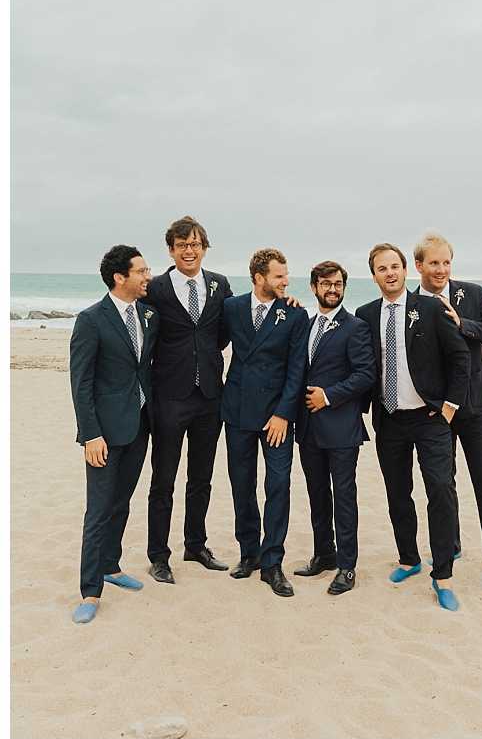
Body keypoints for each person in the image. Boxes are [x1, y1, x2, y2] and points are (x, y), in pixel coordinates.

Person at [356, 243, 470, 611]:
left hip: (430, 418)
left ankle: (443, 574)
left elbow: (460, 358)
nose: (389, 273)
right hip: (389, 419)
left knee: (440, 489)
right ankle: (409, 559)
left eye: (394, 266)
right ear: (374, 276)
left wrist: (450, 406)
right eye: (381, 268)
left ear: (406, 270)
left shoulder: (431, 308)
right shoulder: (365, 315)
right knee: (397, 492)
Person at [414, 232, 482, 601]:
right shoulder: (411, 305)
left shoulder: (473, 294)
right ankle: (451, 547)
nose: (441, 269)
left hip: (478, 409)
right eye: (433, 262)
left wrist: (464, 324)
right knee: (442, 487)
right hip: (436, 413)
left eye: (446, 262)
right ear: (419, 265)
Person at [69, 245, 158, 624]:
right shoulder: (91, 320)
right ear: (120, 277)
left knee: (122, 501)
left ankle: (111, 565)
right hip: (103, 433)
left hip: (139, 425)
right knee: (99, 510)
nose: (148, 276)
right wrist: (90, 435)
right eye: (141, 271)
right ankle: (90, 590)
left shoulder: (148, 314)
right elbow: (81, 383)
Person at [145, 216, 232, 584]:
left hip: (209, 396)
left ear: (204, 248)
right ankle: (158, 555)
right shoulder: (156, 288)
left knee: (201, 478)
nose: (189, 250)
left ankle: (195, 545)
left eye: (195, 244)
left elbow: (227, 330)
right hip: (169, 396)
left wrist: (283, 298)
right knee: (163, 479)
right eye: (182, 245)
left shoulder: (219, 284)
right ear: (171, 250)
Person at [221, 248, 310, 597]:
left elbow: (297, 369)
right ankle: (249, 553)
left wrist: (283, 414)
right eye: (279, 276)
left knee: (278, 485)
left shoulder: (294, 314)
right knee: (241, 484)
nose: (286, 281)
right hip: (238, 410)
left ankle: (272, 562)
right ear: (259, 278)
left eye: (286, 275)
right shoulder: (231, 308)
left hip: (276, 415)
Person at [294, 260, 376, 595]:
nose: (332, 289)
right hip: (308, 428)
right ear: (314, 287)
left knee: (343, 496)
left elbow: (365, 374)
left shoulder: (355, 327)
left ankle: (347, 565)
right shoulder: (306, 325)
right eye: (326, 284)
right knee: (316, 494)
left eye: (338, 284)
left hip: (341, 428)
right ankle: (324, 554)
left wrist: (328, 397)